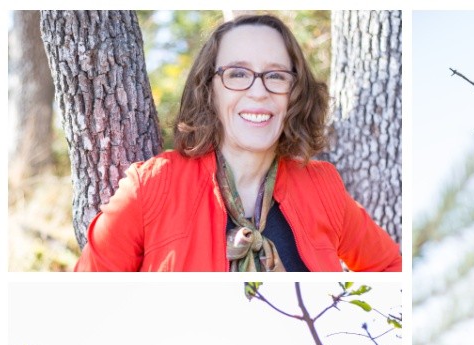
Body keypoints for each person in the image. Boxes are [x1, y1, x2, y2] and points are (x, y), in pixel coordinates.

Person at [74, 13, 401, 272]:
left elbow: (391, 269)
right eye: (237, 74)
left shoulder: (322, 187)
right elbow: (87, 300)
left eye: (275, 76)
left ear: (294, 94)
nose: (258, 92)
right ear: (209, 88)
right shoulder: (152, 187)